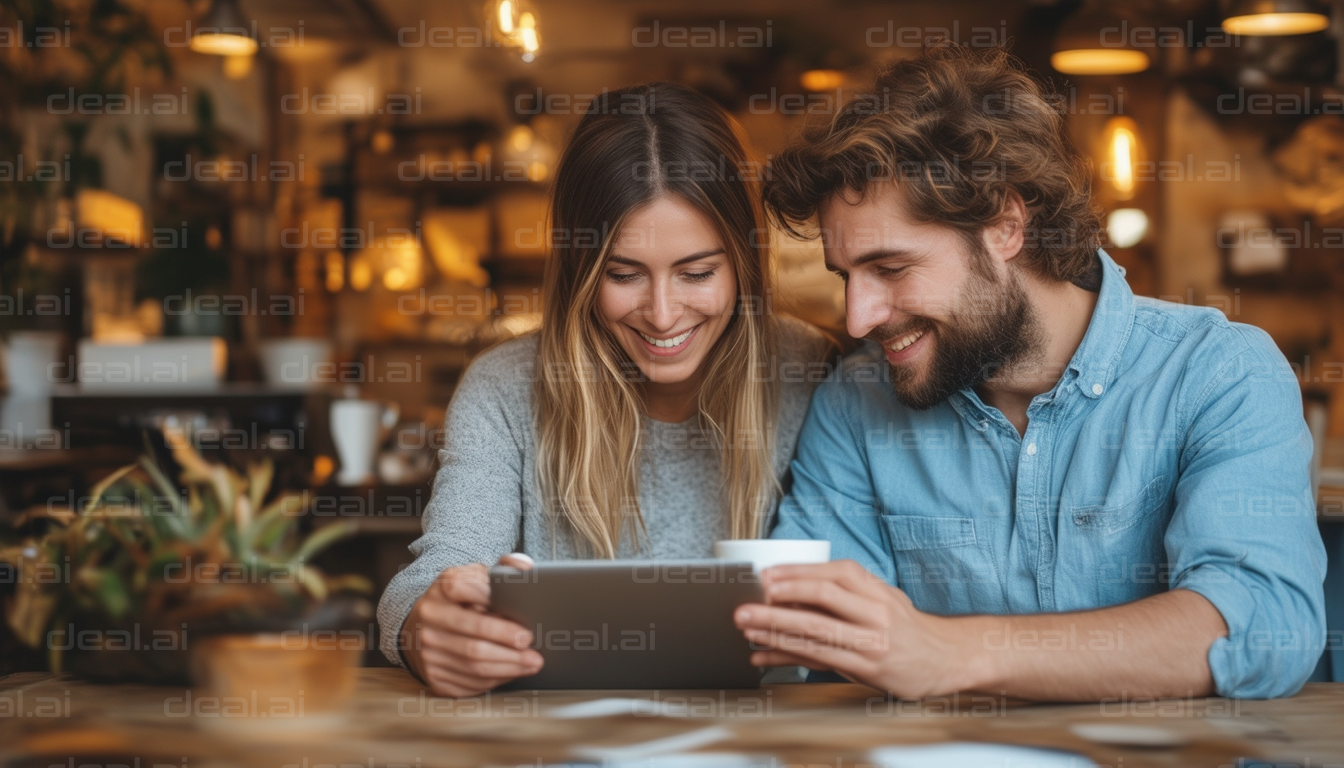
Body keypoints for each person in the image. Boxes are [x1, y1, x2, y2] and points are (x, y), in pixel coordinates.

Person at [736, 45, 1327, 701]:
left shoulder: (1217, 374)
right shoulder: (856, 405)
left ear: (1005, 224)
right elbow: (807, 632)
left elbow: (1264, 627)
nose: (857, 318)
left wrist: (951, 653)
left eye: (892, 268)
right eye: (846, 276)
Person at [378, 83, 835, 697]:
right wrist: (418, 629)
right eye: (623, 275)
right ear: (578, 270)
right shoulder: (505, 387)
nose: (664, 313)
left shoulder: (814, 371)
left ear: (746, 263)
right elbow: (438, 567)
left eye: (698, 273)